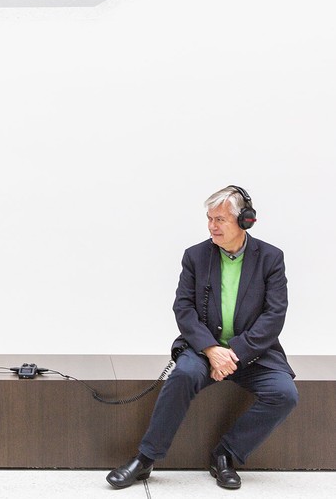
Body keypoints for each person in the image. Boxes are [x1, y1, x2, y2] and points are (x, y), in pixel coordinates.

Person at [106, 185, 298, 490]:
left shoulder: (271, 258)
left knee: (285, 394)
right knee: (183, 374)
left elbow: (274, 316)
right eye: (209, 219)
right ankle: (145, 459)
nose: (212, 226)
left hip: (253, 353)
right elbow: (183, 308)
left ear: (245, 221)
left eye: (220, 219)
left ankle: (226, 453)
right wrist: (211, 349)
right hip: (203, 350)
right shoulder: (195, 256)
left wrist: (232, 353)